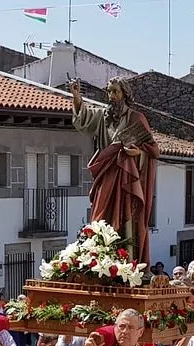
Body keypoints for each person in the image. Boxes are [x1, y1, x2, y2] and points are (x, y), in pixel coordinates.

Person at [70, 77, 159, 265]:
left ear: (125, 94)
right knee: (100, 214)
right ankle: (99, 257)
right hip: (106, 172)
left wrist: (138, 152)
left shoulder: (136, 118)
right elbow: (83, 118)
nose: (111, 96)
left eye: (115, 91)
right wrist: (77, 97)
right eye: (109, 91)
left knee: (125, 214)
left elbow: (153, 149)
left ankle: (125, 262)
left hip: (127, 175)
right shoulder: (104, 116)